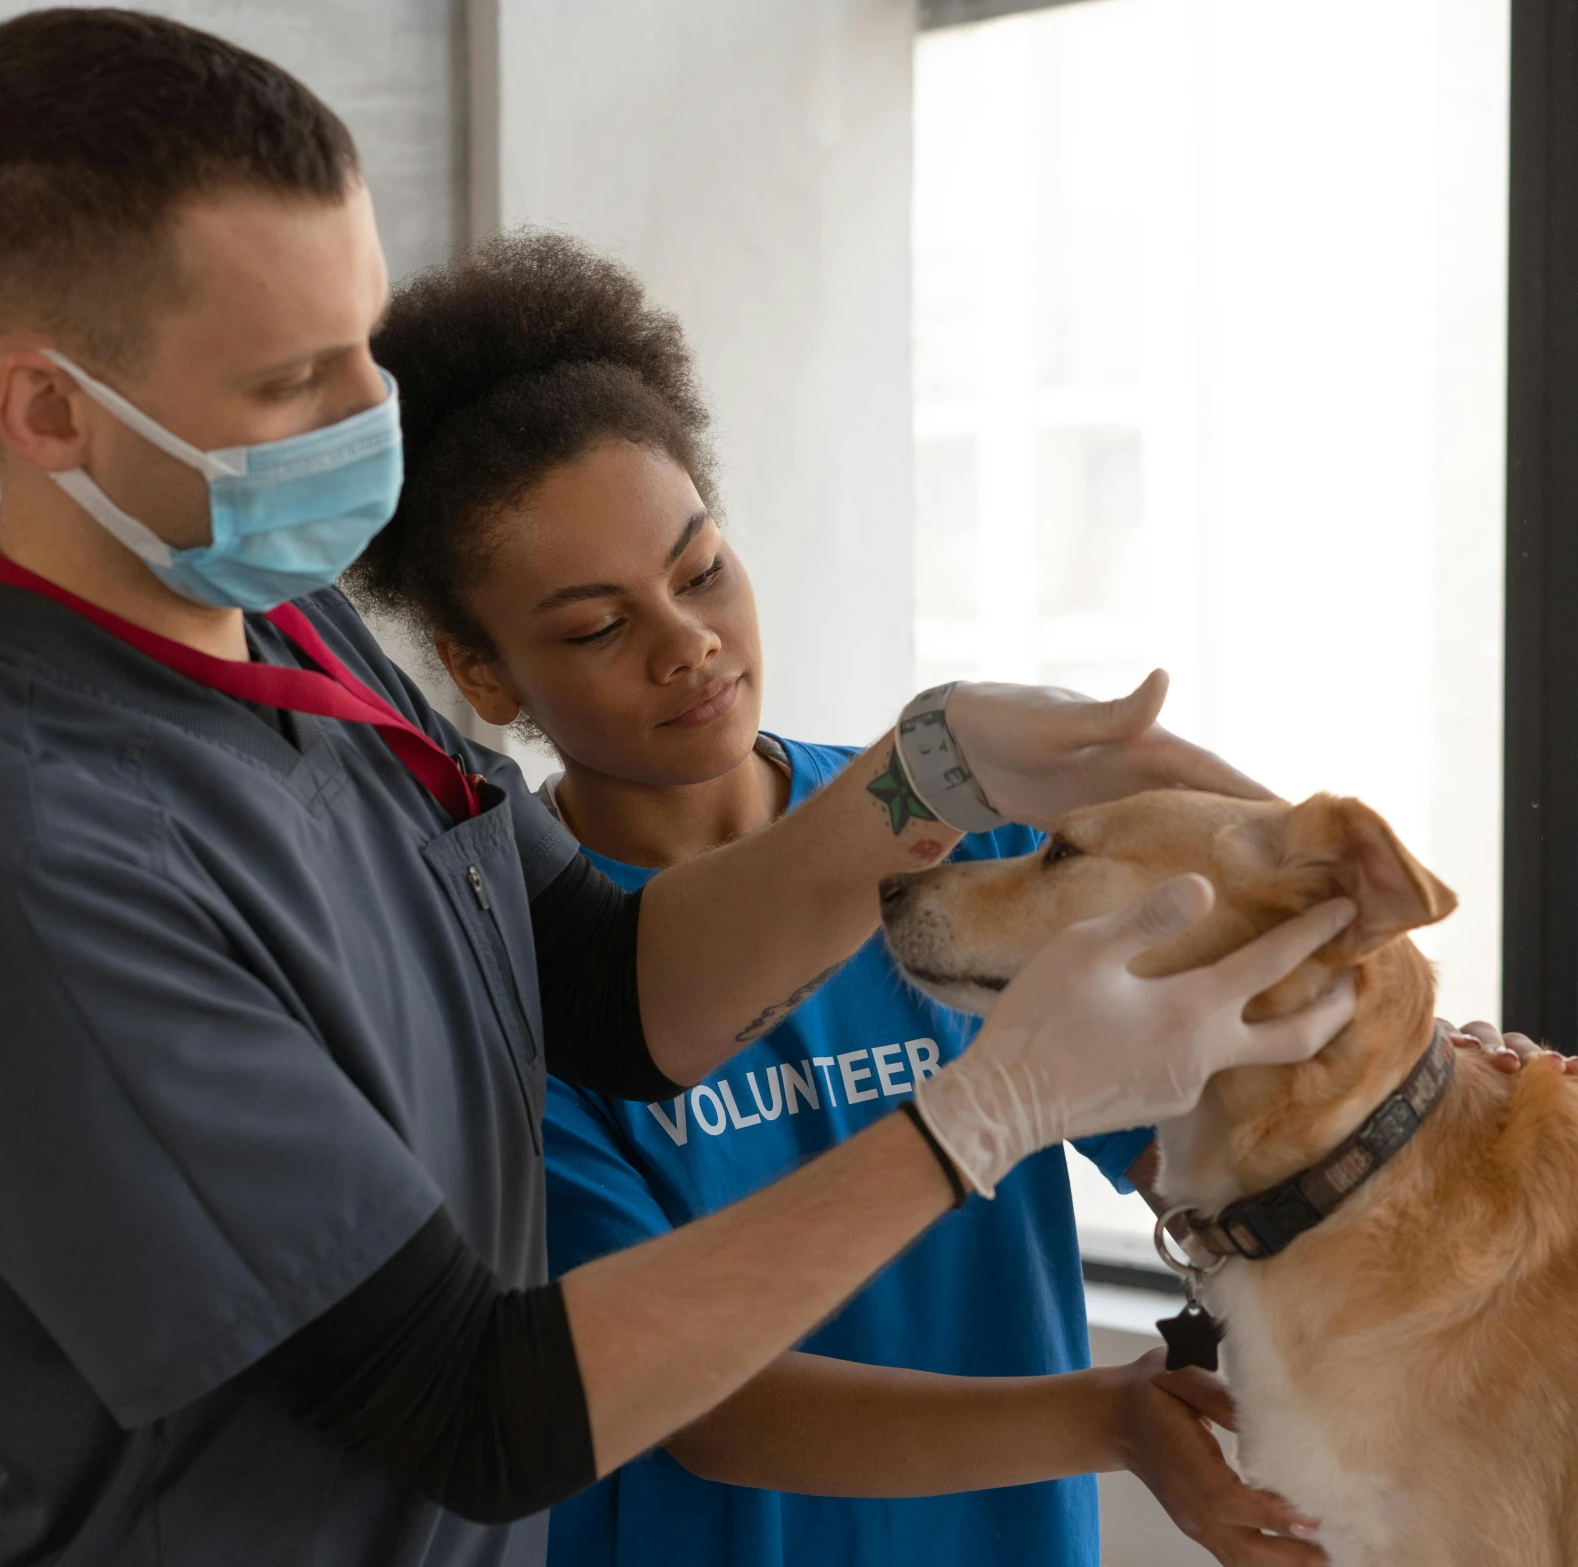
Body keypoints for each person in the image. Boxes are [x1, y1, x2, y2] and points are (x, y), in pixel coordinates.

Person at [0, 13, 1365, 1567]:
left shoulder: (287, 641)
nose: (372, 413)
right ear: (49, 411)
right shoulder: (27, 852)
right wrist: (986, 1111)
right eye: (296, 380)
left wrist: (927, 775)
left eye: (363, 338)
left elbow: (604, 986)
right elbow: (469, 1404)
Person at [352, 233, 1320, 1567]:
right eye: (593, 626)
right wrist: (1105, 1418)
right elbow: (699, 1408)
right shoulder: (511, 980)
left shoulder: (975, 842)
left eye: (699, 570)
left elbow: (1202, 1159)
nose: (685, 640)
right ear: (482, 669)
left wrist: (1382, 1077)